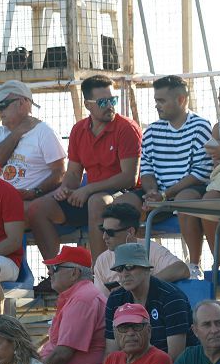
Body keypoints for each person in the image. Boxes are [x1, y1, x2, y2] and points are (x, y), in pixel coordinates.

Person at [26, 75, 141, 259]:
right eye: (103, 102)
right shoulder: (78, 129)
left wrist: (88, 190)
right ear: (88, 105)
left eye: (113, 100)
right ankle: (55, 268)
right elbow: (72, 173)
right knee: (37, 208)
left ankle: (99, 273)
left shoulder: (126, 128)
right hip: (91, 194)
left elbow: (129, 178)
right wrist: (65, 189)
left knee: (97, 202)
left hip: (124, 193)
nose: (110, 105)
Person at [124, 75, 212, 279]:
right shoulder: (152, 131)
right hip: (160, 193)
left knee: (185, 200)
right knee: (121, 206)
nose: (157, 105)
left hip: (188, 190)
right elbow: (146, 170)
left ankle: (194, 265)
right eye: (156, 100)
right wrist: (152, 192)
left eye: (161, 100)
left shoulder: (200, 126)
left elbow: (200, 172)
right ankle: (127, 265)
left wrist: (165, 194)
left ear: (181, 100)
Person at [103, 242, 196, 360]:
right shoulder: (115, 299)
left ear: (147, 269)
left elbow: (175, 358)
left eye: (130, 266)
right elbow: (111, 353)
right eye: (119, 269)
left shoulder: (171, 297)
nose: (124, 274)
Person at [38, 246, 105, 364]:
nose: (50, 272)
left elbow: (62, 355)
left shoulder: (82, 299)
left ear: (74, 273)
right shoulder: (78, 295)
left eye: (55, 268)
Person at [92, 203, 188, 297]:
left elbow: (182, 269)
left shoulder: (150, 248)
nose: (104, 237)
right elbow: (101, 301)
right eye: (103, 230)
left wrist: (143, 285)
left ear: (130, 232)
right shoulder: (102, 260)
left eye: (110, 232)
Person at [0, 79, 66, 201]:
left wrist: (34, 192)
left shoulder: (44, 132)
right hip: (3, 201)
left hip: (30, 202)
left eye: (3, 105)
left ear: (21, 103)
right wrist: (17, 133)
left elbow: (60, 172)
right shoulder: (0, 132)